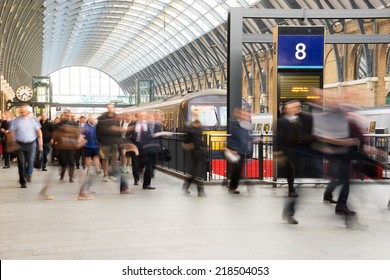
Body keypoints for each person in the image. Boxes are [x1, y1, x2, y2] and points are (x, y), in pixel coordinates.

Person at [275, 100, 315, 224]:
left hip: (302, 155)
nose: (297, 108)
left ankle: (290, 208)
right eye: (293, 107)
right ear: (287, 109)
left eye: (298, 106)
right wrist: (278, 152)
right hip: (288, 155)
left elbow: (307, 136)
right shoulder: (281, 122)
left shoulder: (304, 119)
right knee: (295, 183)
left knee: (298, 185)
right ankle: (289, 211)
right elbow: (278, 138)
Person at [96, 103, 133, 194]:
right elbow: (98, 131)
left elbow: (119, 131)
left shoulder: (117, 117)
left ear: (114, 108)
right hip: (105, 142)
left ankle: (115, 175)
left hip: (114, 142)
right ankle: (106, 174)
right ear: (106, 108)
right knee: (105, 159)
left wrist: (120, 141)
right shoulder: (102, 118)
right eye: (108, 107)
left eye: (112, 107)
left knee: (114, 160)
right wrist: (99, 141)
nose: (110, 109)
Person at [8, 104, 43, 188]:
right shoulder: (16, 120)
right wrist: (12, 141)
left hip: (31, 143)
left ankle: (29, 173)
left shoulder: (33, 120)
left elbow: (39, 132)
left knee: (31, 160)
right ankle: (22, 181)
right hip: (19, 144)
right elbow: (12, 131)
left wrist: (40, 143)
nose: (23, 113)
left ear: (27, 111)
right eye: (21, 111)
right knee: (21, 163)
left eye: (24, 111)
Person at [225, 108, 254, 194]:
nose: (246, 117)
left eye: (247, 115)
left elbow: (247, 137)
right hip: (235, 151)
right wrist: (230, 148)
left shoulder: (246, 126)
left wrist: (255, 139)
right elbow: (232, 138)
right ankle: (233, 186)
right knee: (236, 170)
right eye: (244, 115)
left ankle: (232, 185)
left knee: (238, 170)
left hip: (243, 150)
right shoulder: (234, 124)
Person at [181, 112, 206, 197]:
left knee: (198, 171)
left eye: (197, 114)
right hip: (193, 152)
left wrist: (204, 146)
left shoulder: (200, 128)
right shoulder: (189, 128)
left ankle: (187, 186)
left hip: (200, 152)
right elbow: (185, 140)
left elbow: (201, 139)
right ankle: (200, 191)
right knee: (196, 172)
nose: (196, 116)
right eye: (195, 114)